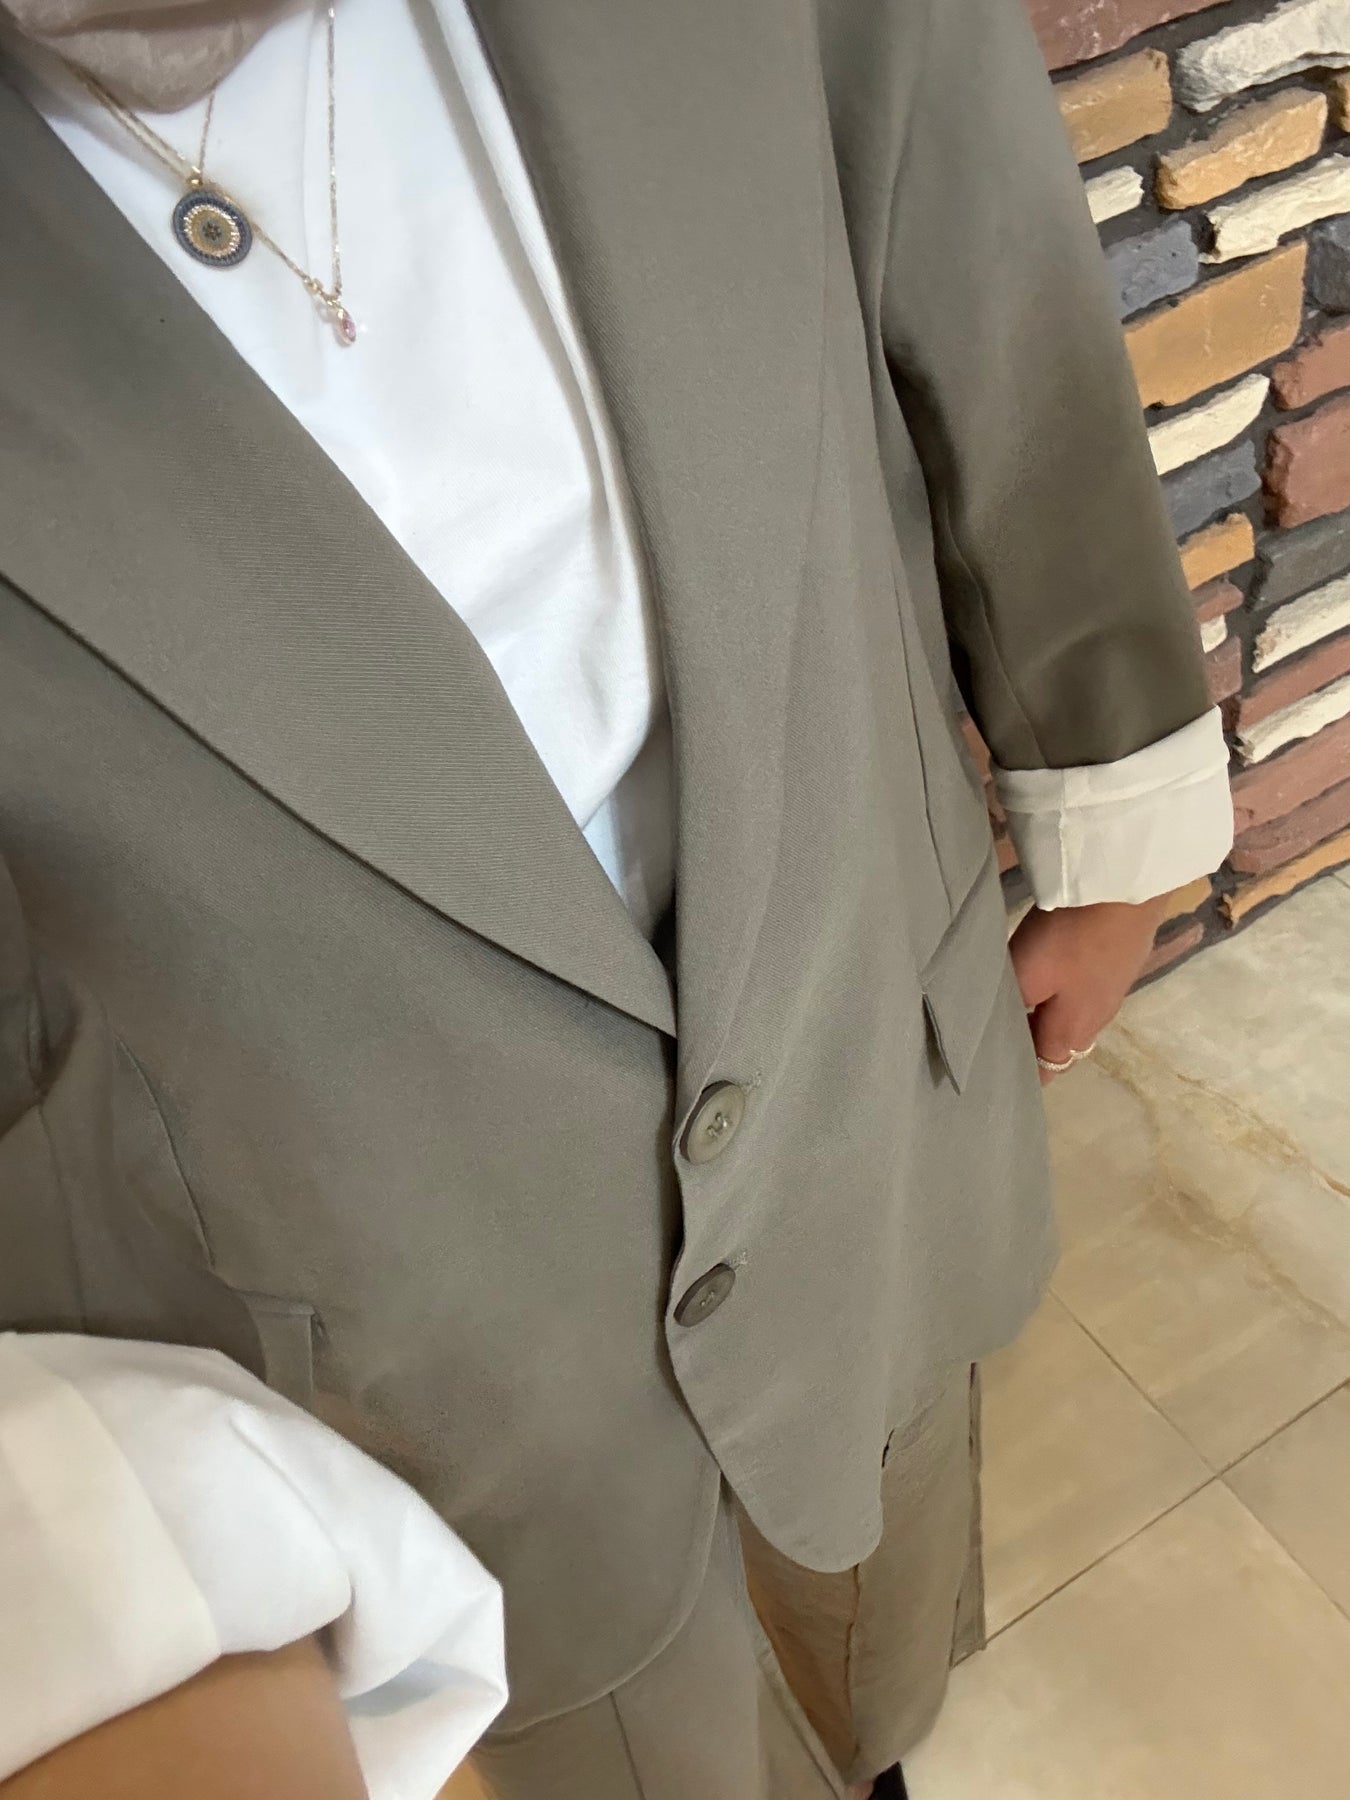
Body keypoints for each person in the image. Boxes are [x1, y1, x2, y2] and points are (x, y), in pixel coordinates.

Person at [0, 0, 1235, 1795]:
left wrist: (1110, 787)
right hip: (342, 1335)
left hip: (846, 1037)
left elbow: (961, 213)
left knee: (867, 1629)